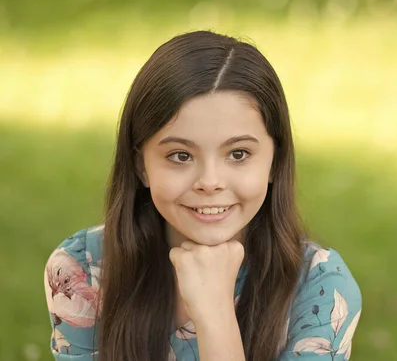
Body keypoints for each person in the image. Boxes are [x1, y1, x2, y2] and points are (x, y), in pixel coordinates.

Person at [44, 30, 362, 361]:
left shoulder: (319, 288)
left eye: (238, 154)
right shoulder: (83, 270)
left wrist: (215, 315)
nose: (209, 182)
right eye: (180, 155)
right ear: (141, 166)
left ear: (273, 164)